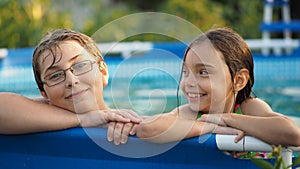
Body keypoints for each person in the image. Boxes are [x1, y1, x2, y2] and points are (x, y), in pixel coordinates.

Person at [136, 27, 300, 150]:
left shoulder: (249, 108)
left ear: (238, 80)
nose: (189, 82)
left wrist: (227, 119)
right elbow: (147, 129)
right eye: (185, 72)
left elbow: (293, 134)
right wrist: (210, 127)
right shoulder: (191, 115)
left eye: (203, 72)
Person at [0, 29, 141, 145]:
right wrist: (83, 119)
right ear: (44, 93)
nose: (71, 80)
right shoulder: (28, 122)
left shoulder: (130, 123)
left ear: (103, 72)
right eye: (55, 76)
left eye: (80, 65)